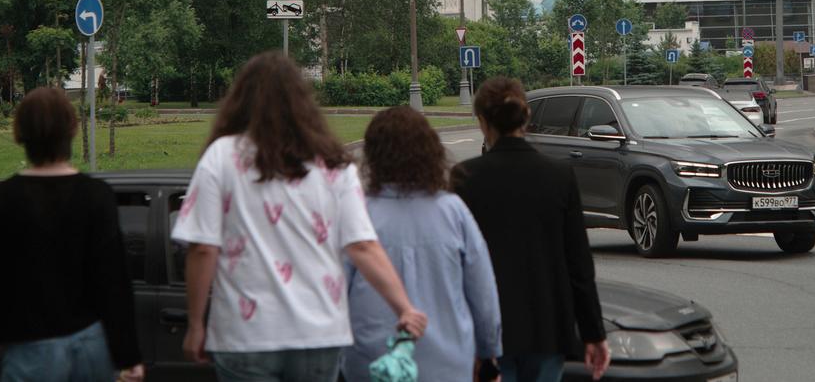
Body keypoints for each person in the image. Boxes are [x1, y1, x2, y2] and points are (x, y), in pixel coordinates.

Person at [172, 52, 427, 382]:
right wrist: (403, 307)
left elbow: (204, 248)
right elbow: (362, 246)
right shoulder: (335, 164)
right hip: (319, 334)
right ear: (304, 102)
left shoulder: (221, 158)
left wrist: (195, 324)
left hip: (244, 336)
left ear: (239, 101)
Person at [0, 87, 144, 381]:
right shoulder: (97, 195)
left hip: (31, 351)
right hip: (91, 349)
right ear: (71, 130)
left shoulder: (4, 198)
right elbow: (114, 281)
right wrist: (128, 354)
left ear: (20, 134)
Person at [454, 77, 610, 382]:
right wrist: (593, 333)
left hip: (487, 331)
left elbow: (455, 264)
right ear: (526, 117)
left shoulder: (464, 178)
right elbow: (578, 263)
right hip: (548, 325)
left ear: (482, 121)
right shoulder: (559, 175)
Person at [342, 106, 502, 382]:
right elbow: (483, 293)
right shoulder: (454, 212)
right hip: (447, 365)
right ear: (431, 151)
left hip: (373, 364)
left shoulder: (357, 214)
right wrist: (488, 353)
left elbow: (337, 291)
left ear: (373, 156)